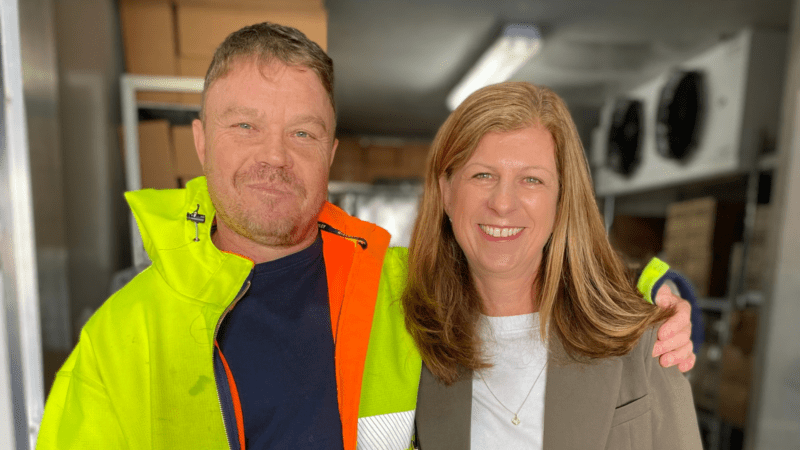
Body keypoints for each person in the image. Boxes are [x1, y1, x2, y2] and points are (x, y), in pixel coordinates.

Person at [36, 23, 695, 450]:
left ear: (330, 151)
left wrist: (662, 292)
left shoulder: (395, 289)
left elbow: (515, 264)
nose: (275, 157)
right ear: (201, 141)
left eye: (302, 132)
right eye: (244, 127)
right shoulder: (120, 340)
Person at [405, 82, 703, 449]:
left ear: (562, 199)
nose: (502, 203)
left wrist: (667, 287)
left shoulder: (640, 340)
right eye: (482, 174)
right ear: (446, 192)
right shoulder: (406, 336)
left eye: (532, 179)